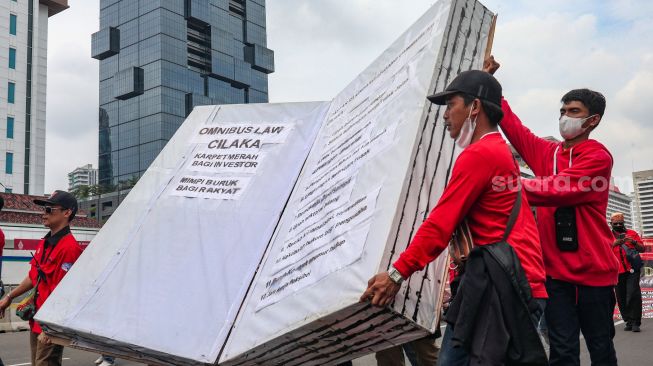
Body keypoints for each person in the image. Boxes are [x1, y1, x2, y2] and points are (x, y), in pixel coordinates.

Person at [361, 70, 547, 365]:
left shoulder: (480, 154)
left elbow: (439, 225)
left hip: (503, 287)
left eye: (451, 105)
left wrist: (396, 274)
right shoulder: (497, 152)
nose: (445, 115)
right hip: (506, 280)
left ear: (475, 107)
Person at [486, 56, 620, 365]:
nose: (565, 117)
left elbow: (560, 189)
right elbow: (514, 128)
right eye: (562, 111)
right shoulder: (548, 153)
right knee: (562, 351)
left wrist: (502, 184)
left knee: (601, 349)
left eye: (574, 112)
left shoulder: (599, 157)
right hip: (556, 276)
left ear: (593, 120)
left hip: (595, 275)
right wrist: (493, 87)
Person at [0, 190, 83, 366]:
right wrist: (9, 297)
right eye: (44, 209)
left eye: (49, 209)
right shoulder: (45, 243)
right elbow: (33, 277)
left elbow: (65, 294)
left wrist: (52, 329)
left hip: (50, 325)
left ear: (67, 213)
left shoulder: (69, 248)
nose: (43, 213)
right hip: (37, 320)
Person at [610, 212, 644, 332]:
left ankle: (636, 322)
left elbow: (642, 248)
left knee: (633, 294)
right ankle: (628, 321)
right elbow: (603, 251)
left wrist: (633, 242)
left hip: (632, 270)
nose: (618, 225)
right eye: (616, 223)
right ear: (611, 224)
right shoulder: (608, 236)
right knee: (621, 297)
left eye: (620, 223)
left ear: (624, 223)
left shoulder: (632, 233)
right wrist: (615, 243)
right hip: (617, 272)